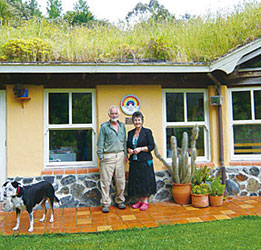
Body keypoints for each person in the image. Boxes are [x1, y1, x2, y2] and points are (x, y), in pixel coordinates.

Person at [97, 105, 127, 213]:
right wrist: (101, 156)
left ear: (118, 115)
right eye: (112, 113)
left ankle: (120, 200)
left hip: (120, 156)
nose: (114, 115)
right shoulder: (104, 127)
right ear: (109, 115)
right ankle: (105, 203)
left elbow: (124, 141)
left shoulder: (122, 126)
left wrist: (125, 155)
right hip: (107, 156)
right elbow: (100, 142)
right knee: (105, 181)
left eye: (116, 113)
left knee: (120, 181)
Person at [127, 111, 156, 211]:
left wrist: (141, 149)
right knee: (136, 181)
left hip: (145, 161)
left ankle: (145, 201)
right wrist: (129, 150)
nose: (137, 122)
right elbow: (128, 146)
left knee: (145, 181)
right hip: (134, 161)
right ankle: (139, 200)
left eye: (139, 120)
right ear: (133, 121)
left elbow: (152, 146)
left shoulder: (147, 132)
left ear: (142, 121)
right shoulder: (130, 133)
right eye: (135, 120)